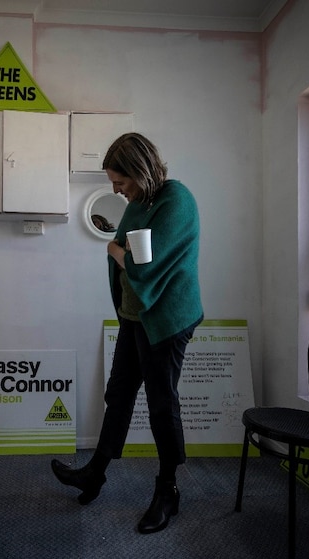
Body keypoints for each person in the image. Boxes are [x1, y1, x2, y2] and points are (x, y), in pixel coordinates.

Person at [51, 133, 203, 534]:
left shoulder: (177, 201)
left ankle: (167, 491)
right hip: (134, 316)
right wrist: (121, 252)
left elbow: (143, 267)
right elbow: (129, 253)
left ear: (140, 169)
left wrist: (115, 251)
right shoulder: (138, 203)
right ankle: (95, 473)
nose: (115, 189)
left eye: (120, 180)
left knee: (160, 404)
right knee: (118, 394)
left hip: (167, 320)